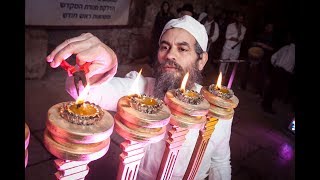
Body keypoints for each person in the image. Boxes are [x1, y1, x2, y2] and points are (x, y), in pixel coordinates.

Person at [47, 15, 233, 180]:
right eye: (164, 47)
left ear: (201, 60)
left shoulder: (216, 107)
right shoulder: (139, 90)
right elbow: (90, 92)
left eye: (182, 49)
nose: (170, 56)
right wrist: (93, 72)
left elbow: (220, 163)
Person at [261, 32, 295, 114]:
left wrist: (275, 65)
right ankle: (267, 106)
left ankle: (265, 104)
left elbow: (273, 57)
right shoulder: (292, 50)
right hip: (284, 73)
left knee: (271, 88)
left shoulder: (285, 47)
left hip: (277, 70)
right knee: (274, 90)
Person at [149, 1, 175, 67]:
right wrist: (153, 33)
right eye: (164, 6)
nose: (165, 7)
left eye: (166, 6)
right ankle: (154, 64)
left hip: (166, 35)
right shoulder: (159, 14)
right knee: (156, 48)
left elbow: (172, 26)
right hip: (158, 34)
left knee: (165, 49)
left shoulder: (171, 15)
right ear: (162, 7)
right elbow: (156, 25)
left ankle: (163, 64)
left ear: (168, 7)